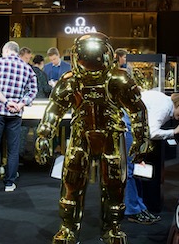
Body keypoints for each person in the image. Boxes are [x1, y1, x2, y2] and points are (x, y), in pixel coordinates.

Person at [34, 33, 150, 244]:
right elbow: (54, 108)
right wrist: (44, 133)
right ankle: (69, 227)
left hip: (110, 134)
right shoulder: (71, 81)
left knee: (114, 183)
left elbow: (137, 110)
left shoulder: (119, 79)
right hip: (82, 133)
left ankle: (112, 227)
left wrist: (141, 137)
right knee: (72, 181)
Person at [124, 91, 179, 223]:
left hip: (132, 123)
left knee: (133, 170)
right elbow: (152, 132)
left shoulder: (166, 104)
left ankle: (138, 208)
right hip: (127, 124)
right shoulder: (165, 107)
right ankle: (133, 210)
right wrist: (174, 132)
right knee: (130, 171)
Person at [0, 41, 37, 193]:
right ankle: (10, 183)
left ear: (6, 51)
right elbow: (33, 91)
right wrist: (20, 104)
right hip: (15, 114)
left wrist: (5, 101)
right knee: (13, 150)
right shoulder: (27, 67)